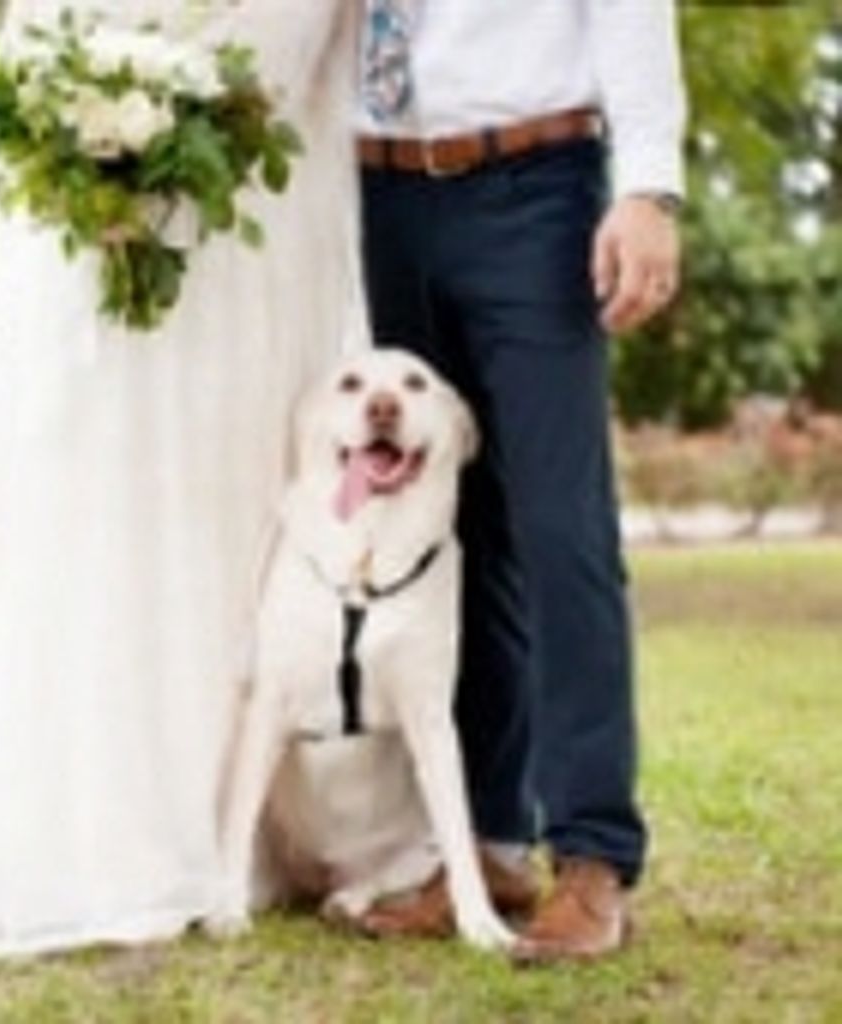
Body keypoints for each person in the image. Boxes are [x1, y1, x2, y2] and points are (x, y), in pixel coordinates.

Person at [0, 0, 361, 957]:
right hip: (84, 266)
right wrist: (80, 131)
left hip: (237, 261)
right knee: (89, 515)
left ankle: (233, 810)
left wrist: (177, 100)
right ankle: (87, 812)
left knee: (221, 512)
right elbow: (33, 43)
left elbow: (301, 59)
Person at [356, 0, 687, 962]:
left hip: (532, 188)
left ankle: (592, 856)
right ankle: (489, 846)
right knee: (457, 532)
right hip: (381, 196)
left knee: (558, 527)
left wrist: (649, 190)